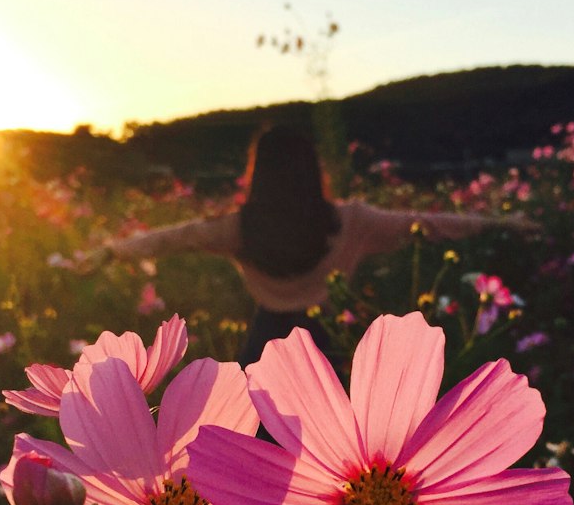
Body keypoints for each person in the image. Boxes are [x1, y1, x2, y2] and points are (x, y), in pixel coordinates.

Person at [88, 124, 526, 366]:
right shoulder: (352, 221)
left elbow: (172, 238)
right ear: (312, 169)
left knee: (253, 435)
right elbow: (429, 224)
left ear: (258, 173)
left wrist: (112, 250)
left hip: (266, 340)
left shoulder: (240, 227)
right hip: (331, 339)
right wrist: (499, 222)